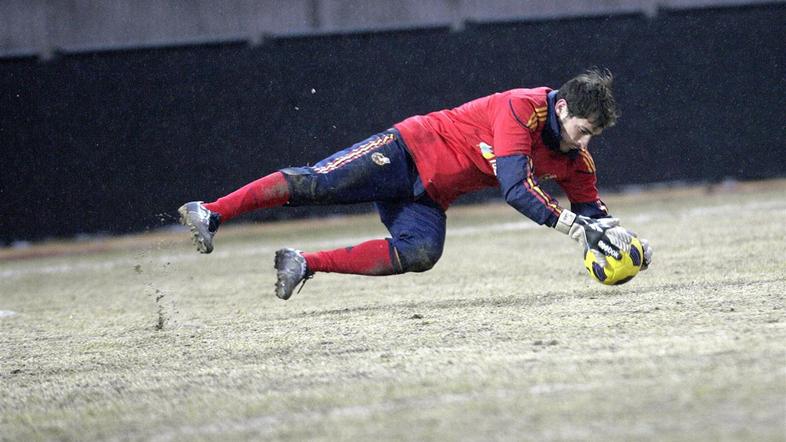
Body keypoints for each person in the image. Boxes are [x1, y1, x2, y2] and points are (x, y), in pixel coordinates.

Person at [178, 68, 652, 300]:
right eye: (584, 129)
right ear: (565, 109)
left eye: (594, 135)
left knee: (421, 253)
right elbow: (514, 186)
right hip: (405, 152)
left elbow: (594, 213)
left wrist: (626, 243)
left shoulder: (577, 160)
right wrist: (573, 227)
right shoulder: (523, 108)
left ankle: (303, 263)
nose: (585, 142)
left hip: (429, 195)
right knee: (316, 184)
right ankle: (212, 211)